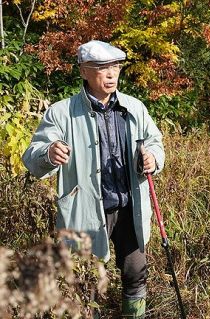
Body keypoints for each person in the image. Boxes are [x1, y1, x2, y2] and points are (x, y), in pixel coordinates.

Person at [22, 40, 165, 318]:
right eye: (102, 67)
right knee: (87, 281)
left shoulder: (134, 107)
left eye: (115, 66)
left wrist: (153, 158)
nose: (111, 74)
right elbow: (33, 155)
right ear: (84, 71)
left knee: (136, 273)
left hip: (129, 207)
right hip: (84, 211)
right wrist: (49, 153)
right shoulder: (62, 112)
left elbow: (155, 142)